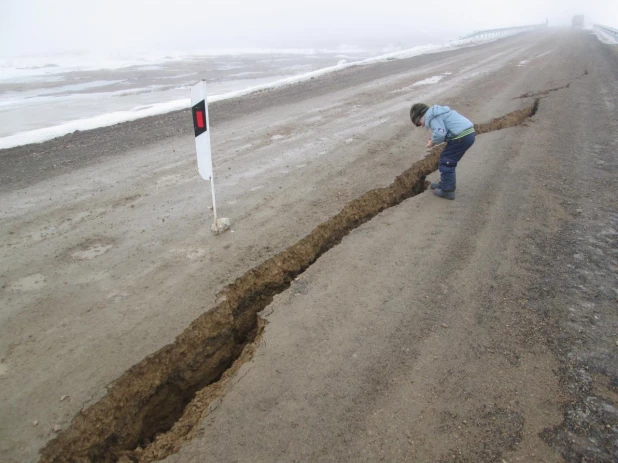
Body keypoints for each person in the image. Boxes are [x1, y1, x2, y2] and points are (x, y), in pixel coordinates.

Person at [410, 103, 475, 200]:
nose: (422, 126)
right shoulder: (437, 113)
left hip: (461, 137)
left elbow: (440, 134)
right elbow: (444, 131)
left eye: (419, 123)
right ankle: (445, 183)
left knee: (447, 161)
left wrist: (433, 142)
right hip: (466, 134)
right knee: (446, 158)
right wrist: (433, 139)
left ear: (421, 115)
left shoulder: (432, 117)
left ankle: (447, 191)